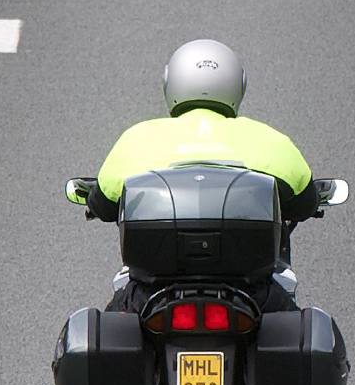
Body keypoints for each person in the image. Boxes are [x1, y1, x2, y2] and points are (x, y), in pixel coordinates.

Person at [76, 40, 324, 295]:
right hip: (254, 295)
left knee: (116, 320)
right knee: (296, 324)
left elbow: (104, 204)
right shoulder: (270, 139)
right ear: (239, 85)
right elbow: (304, 203)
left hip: (151, 295)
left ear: (169, 83)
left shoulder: (137, 137)